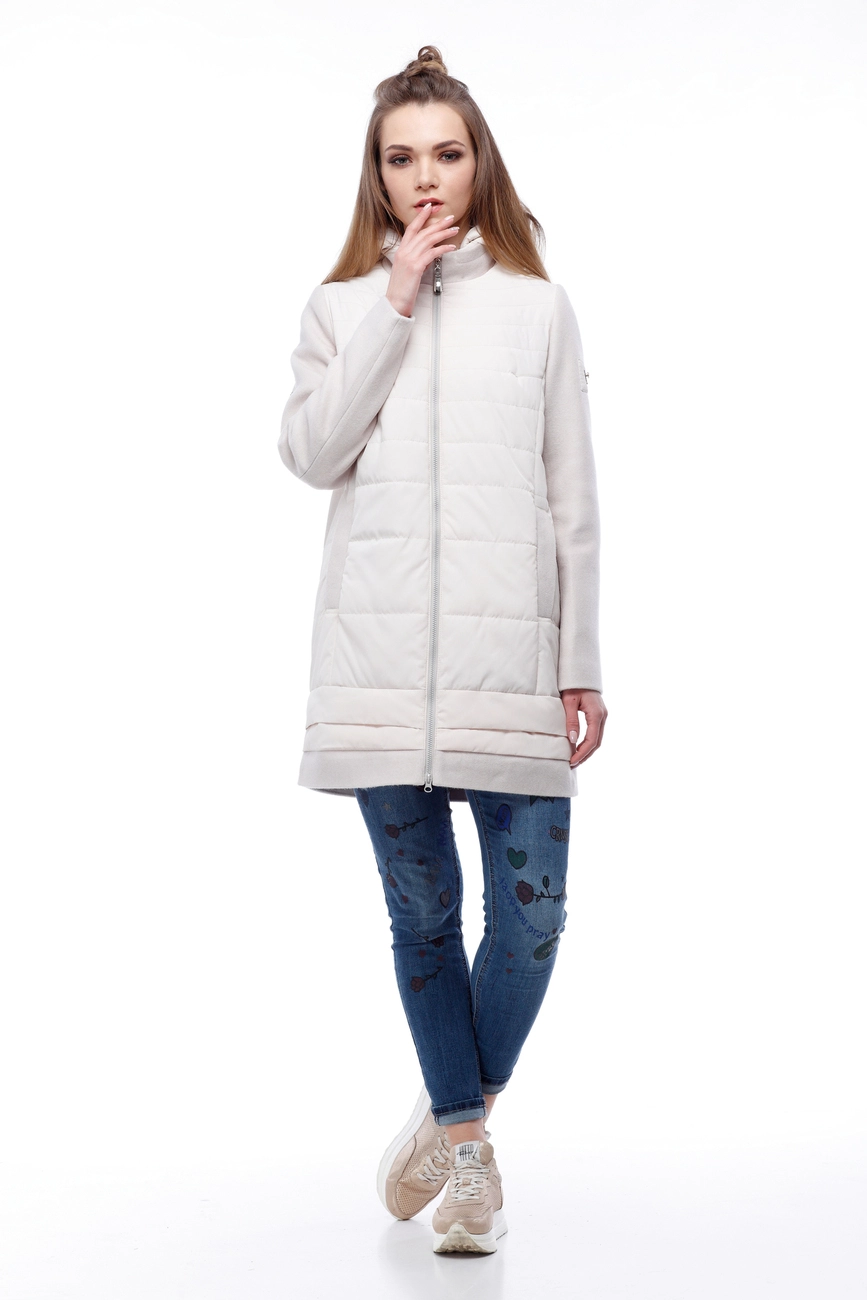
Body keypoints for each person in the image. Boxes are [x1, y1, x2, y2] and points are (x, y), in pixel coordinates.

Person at [278, 45, 607, 1256]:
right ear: (375, 175)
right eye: (402, 158)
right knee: (423, 921)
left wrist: (581, 658)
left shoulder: (538, 308)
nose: (426, 178)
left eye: (448, 154)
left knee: (533, 919)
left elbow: (573, 498)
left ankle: (447, 1108)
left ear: (481, 165)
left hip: (510, 661)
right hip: (374, 665)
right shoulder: (340, 308)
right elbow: (312, 453)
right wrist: (396, 301)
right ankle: (470, 1160)